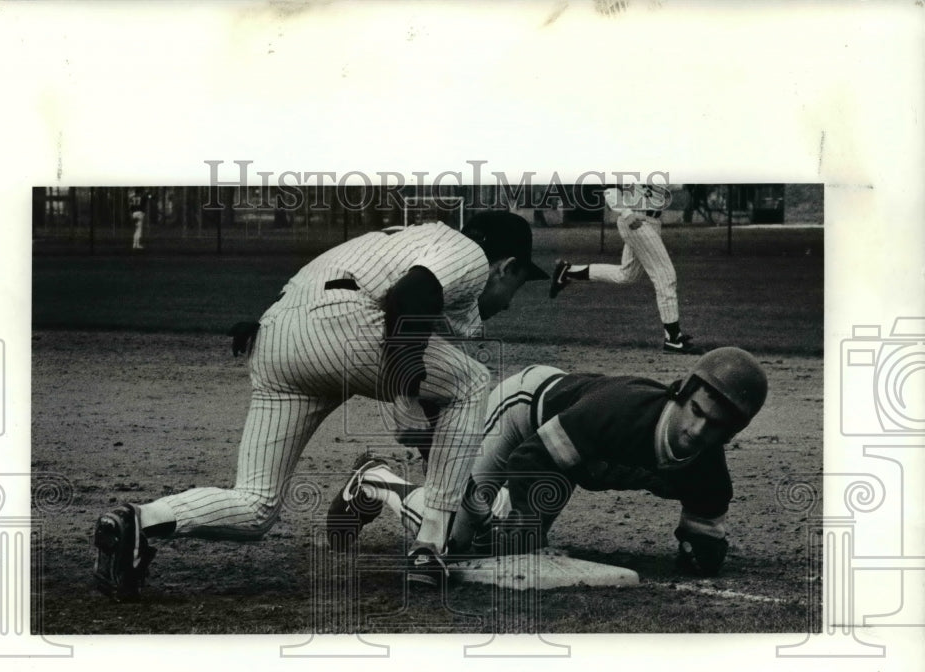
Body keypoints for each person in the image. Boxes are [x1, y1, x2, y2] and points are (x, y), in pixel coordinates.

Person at [93, 211, 548, 600]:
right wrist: (405, 392)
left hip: (274, 339)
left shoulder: (405, 238)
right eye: (520, 285)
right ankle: (430, 547)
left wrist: (431, 438)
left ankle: (139, 520)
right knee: (472, 381)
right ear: (505, 267)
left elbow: (399, 332)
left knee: (255, 506)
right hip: (344, 328)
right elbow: (408, 299)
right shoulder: (465, 251)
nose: (511, 301)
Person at [327, 347, 768, 578]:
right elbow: (532, 457)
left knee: (509, 542)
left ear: (732, 433)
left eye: (716, 427)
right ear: (683, 392)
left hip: (566, 451)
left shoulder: (707, 472)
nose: (698, 430)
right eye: (697, 412)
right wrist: (505, 507)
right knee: (457, 541)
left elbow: (705, 534)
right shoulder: (622, 414)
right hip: (526, 412)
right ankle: (374, 480)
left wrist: (702, 550)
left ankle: (444, 477)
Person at [550, 183, 701, 355]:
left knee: (627, 274)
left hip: (650, 222)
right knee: (665, 276)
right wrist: (625, 212)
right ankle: (673, 338)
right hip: (636, 220)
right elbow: (610, 187)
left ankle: (568, 271)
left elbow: (669, 184)